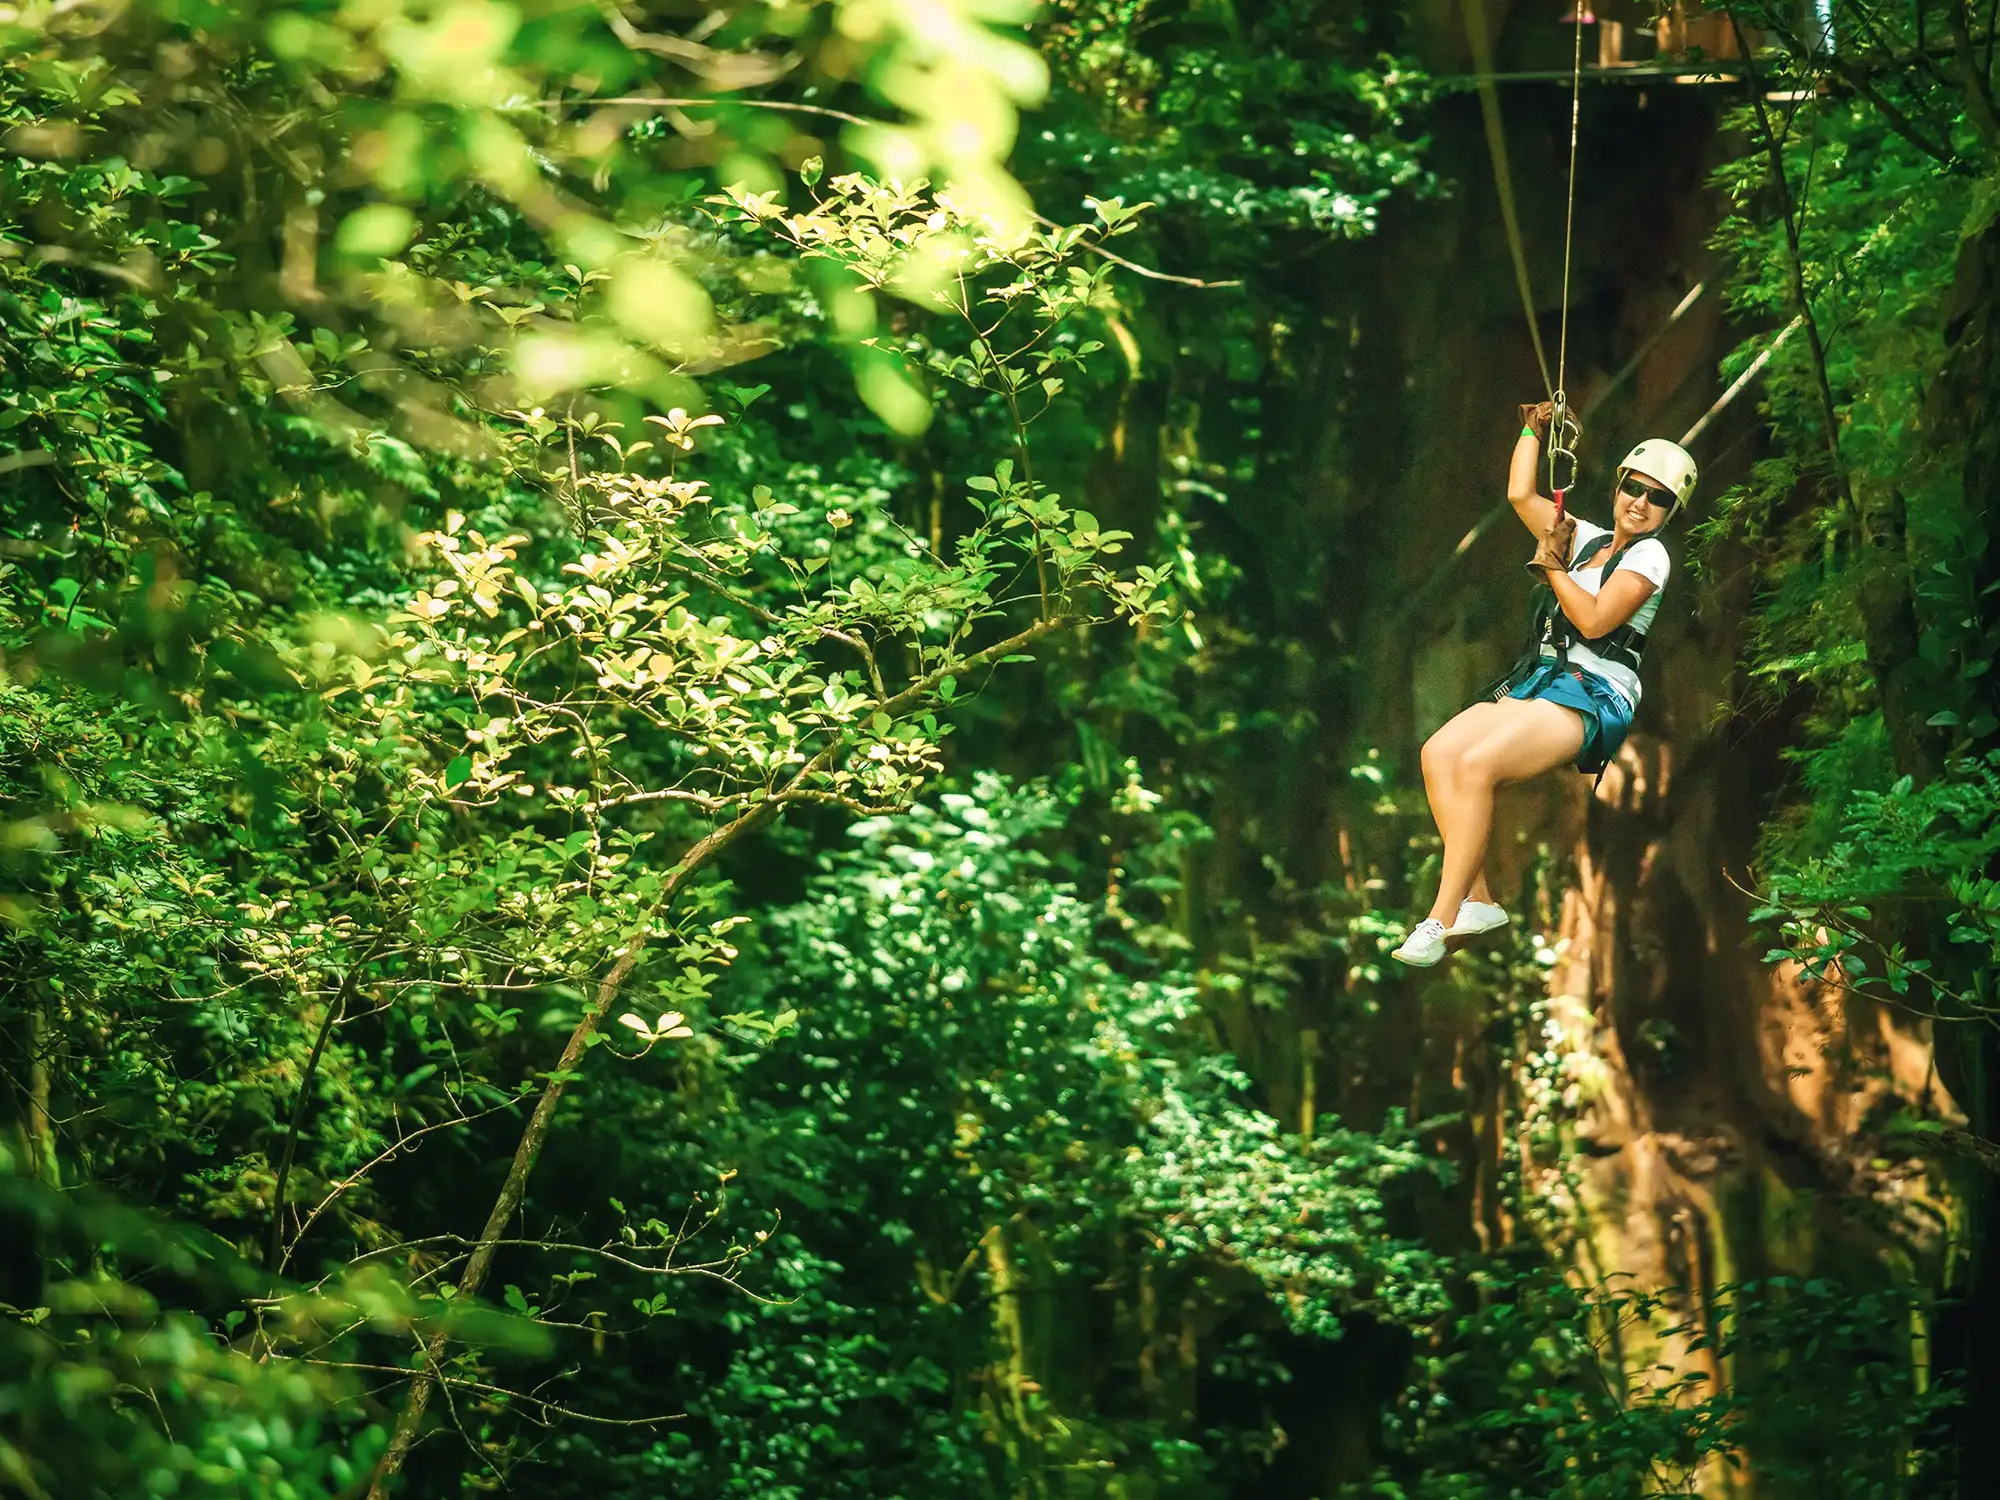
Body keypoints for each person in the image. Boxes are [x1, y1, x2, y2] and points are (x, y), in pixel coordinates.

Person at [1391, 401, 1697, 968]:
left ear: (1669, 511)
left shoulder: (1652, 557)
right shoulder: (1584, 536)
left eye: (1658, 498)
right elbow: (1520, 495)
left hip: (1596, 690)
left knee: (1478, 767)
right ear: (1620, 485)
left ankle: (1439, 917)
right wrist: (1534, 428)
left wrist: (1552, 568)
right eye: (1636, 487)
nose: (1641, 503)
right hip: (1544, 676)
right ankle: (1478, 899)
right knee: (1439, 754)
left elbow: (1596, 621)